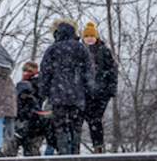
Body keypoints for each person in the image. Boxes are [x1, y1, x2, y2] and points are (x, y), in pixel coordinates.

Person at [38, 19, 94, 155]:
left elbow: (45, 74)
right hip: (77, 95)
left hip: (57, 95)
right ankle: (75, 153)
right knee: (76, 127)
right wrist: (89, 92)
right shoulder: (81, 48)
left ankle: (63, 154)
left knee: (60, 128)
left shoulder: (52, 50)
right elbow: (89, 71)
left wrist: (42, 94)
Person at [82, 22, 118, 154]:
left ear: (96, 37)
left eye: (92, 36)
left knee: (96, 118)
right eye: (87, 36)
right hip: (85, 92)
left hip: (101, 92)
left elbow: (112, 71)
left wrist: (111, 89)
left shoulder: (104, 51)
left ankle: (98, 145)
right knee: (87, 118)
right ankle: (92, 144)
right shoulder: (80, 51)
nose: (90, 38)